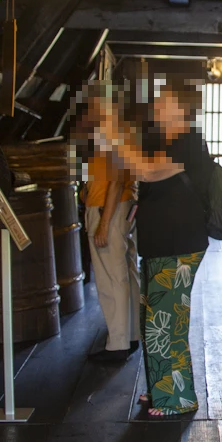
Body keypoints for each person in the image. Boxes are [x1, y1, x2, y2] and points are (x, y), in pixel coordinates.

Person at [93, 74, 212, 417]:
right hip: (161, 244)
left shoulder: (188, 141)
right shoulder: (166, 139)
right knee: (154, 321)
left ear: (181, 109)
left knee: (167, 323)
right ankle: (161, 390)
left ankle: (178, 399)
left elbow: (143, 171)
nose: (157, 107)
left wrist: (113, 133)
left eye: (163, 102)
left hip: (178, 244)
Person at [83, 146, 140, 362]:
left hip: (107, 207)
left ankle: (118, 344)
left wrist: (104, 224)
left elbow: (115, 181)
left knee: (111, 279)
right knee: (127, 272)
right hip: (125, 204)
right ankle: (132, 334)